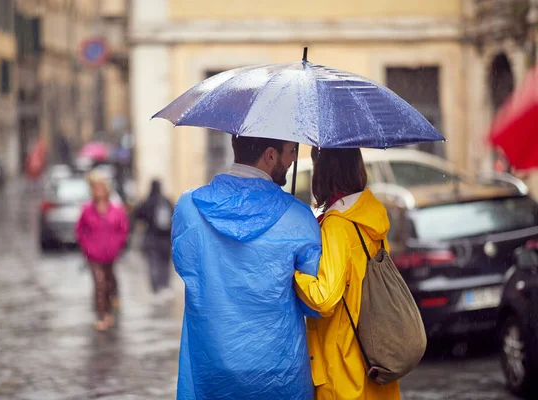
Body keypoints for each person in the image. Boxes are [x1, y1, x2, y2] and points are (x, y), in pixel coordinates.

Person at [171, 135, 322, 400]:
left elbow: (186, 265)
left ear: (233, 146)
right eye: (292, 151)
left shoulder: (189, 207)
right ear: (271, 155)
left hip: (212, 362)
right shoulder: (299, 216)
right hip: (279, 369)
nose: (294, 159)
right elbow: (312, 301)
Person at [294, 147, 401, 400]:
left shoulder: (338, 225)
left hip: (343, 366)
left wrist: (295, 275)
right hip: (375, 357)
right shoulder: (371, 213)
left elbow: (325, 298)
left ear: (324, 172)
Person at [76, 172, 130, 331]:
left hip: (110, 254)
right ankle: (102, 315)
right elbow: (80, 231)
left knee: (108, 281)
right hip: (93, 255)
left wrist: (117, 245)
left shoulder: (116, 210)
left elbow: (123, 229)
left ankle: (109, 307)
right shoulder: (87, 210)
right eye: (95, 188)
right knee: (99, 282)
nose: (98, 191)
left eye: (101, 188)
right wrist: (87, 247)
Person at [135, 180, 174, 295]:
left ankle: (156, 287)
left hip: (151, 237)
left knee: (153, 263)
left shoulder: (147, 201)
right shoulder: (166, 201)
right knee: (165, 263)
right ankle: (165, 284)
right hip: (166, 238)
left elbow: (138, 216)